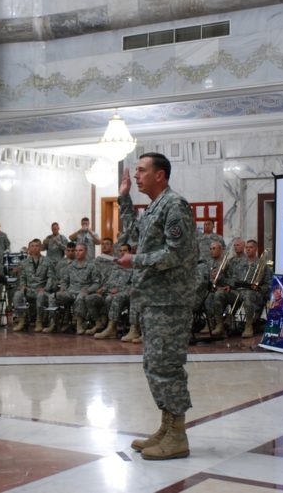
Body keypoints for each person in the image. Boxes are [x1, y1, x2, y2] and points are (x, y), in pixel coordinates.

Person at [116, 152, 197, 460]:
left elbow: (176, 253)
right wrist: (124, 200)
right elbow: (132, 234)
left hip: (170, 301)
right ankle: (166, 427)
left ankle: (178, 435)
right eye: (135, 171)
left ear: (159, 175)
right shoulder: (154, 208)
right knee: (154, 365)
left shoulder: (174, 205)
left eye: (141, 170)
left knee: (166, 365)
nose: (135, 176)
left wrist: (135, 260)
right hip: (154, 299)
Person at [211, 239, 273, 338]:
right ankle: (220, 324)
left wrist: (259, 288)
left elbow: (269, 284)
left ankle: (249, 326)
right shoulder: (239, 263)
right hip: (237, 291)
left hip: (254, 293)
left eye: (251, 247)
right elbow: (233, 279)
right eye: (247, 248)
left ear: (256, 249)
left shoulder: (262, 265)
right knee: (219, 294)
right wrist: (229, 286)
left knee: (248, 295)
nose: (248, 250)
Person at [92, 242, 134, 340]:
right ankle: (111, 327)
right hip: (113, 291)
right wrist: (104, 288)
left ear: (130, 252)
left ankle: (111, 327)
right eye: (120, 251)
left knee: (116, 297)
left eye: (125, 250)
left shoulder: (134, 266)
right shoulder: (116, 265)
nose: (122, 253)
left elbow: (134, 284)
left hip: (128, 293)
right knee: (107, 298)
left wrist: (119, 290)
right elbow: (110, 280)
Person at [12, 239, 55, 332]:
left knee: (40, 296)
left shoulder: (48, 261)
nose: (35, 248)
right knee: (17, 295)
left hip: (42, 291)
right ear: (29, 249)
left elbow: (51, 278)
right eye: (32, 246)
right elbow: (22, 278)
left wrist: (45, 289)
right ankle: (21, 321)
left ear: (40, 248)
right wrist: (23, 286)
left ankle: (39, 321)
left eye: (37, 246)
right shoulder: (24, 263)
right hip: (29, 290)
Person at [55, 242, 95, 334]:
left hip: (83, 292)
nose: (77, 252)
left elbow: (96, 283)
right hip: (71, 291)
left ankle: (79, 324)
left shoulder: (91, 266)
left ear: (85, 252)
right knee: (54, 296)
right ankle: (54, 323)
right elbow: (64, 280)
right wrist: (63, 288)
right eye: (76, 250)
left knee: (80, 298)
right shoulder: (70, 267)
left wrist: (88, 290)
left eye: (80, 250)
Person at [83, 237, 117, 335]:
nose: (104, 246)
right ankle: (98, 323)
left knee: (109, 299)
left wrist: (105, 288)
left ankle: (108, 324)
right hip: (98, 290)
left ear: (112, 246)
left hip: (111, 291)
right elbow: (94, 278)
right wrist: (93, 289)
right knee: (88, 298)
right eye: (103, 244)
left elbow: (115, 279)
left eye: (107, 244)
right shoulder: (96, 261)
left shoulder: (116, 261)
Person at [43, 241, 77, 333]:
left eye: (73, 250)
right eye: (68, 250)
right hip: (60, 288)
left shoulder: (78, 263)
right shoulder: (60, 263)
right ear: (65, 251)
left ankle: (69, 322)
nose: (70, 252)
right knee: (52, 297)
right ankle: (53, 323)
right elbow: (56, 277)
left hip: (74, 290)